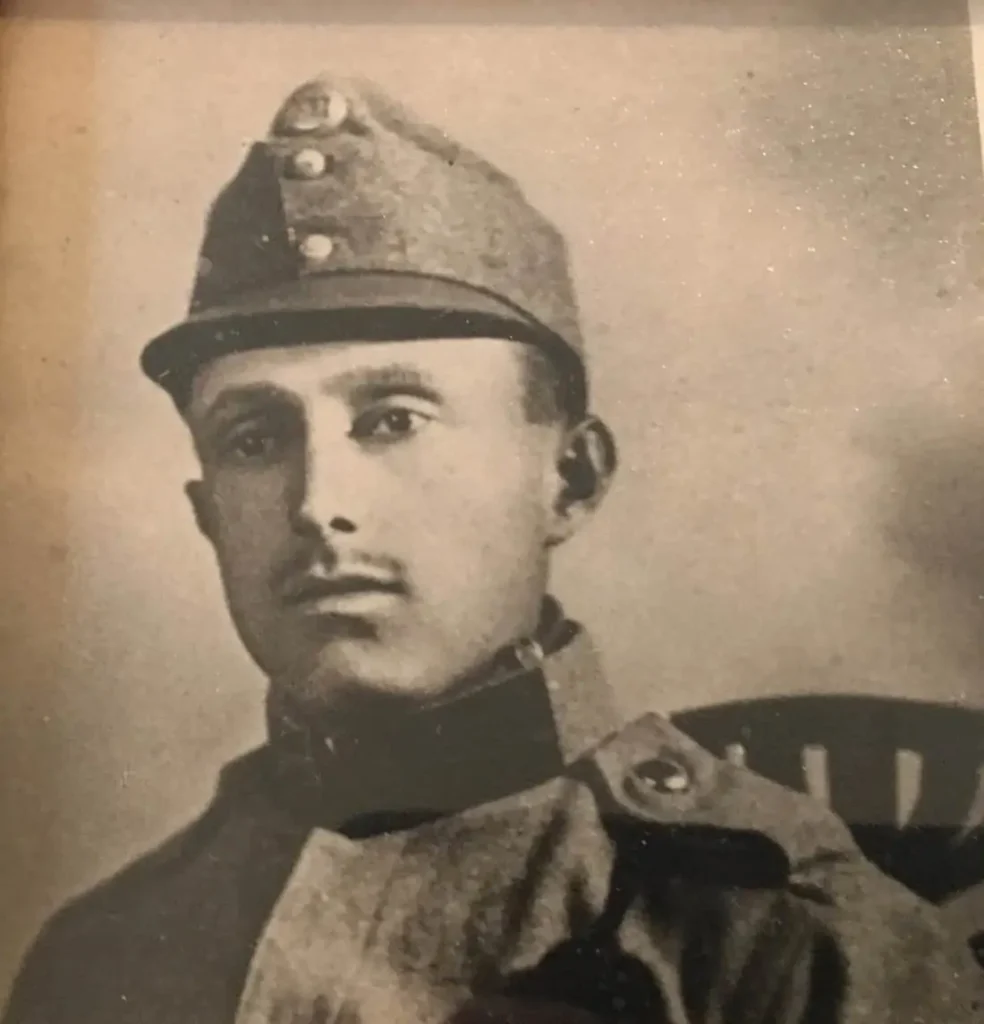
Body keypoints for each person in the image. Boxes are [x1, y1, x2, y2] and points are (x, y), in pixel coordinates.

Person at [3, 74, 980, 1024]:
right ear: (207, 512)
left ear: (570, 479)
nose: (318, 505)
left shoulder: (768, 933)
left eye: (392, 419)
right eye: (253, 440)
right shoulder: (107, 952)